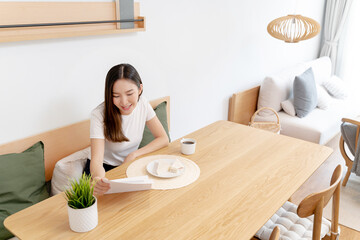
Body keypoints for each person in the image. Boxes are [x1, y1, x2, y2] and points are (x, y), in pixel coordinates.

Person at [85, 63, 169, 195]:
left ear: (140, 89)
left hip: (130, 165)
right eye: (116, 96)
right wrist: (98, 179)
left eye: (129, 93)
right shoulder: (99, 114)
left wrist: (134, 154)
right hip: (104, 169)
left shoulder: (143, 104)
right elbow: (97, 160)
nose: (124, 102)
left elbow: (163, 138)